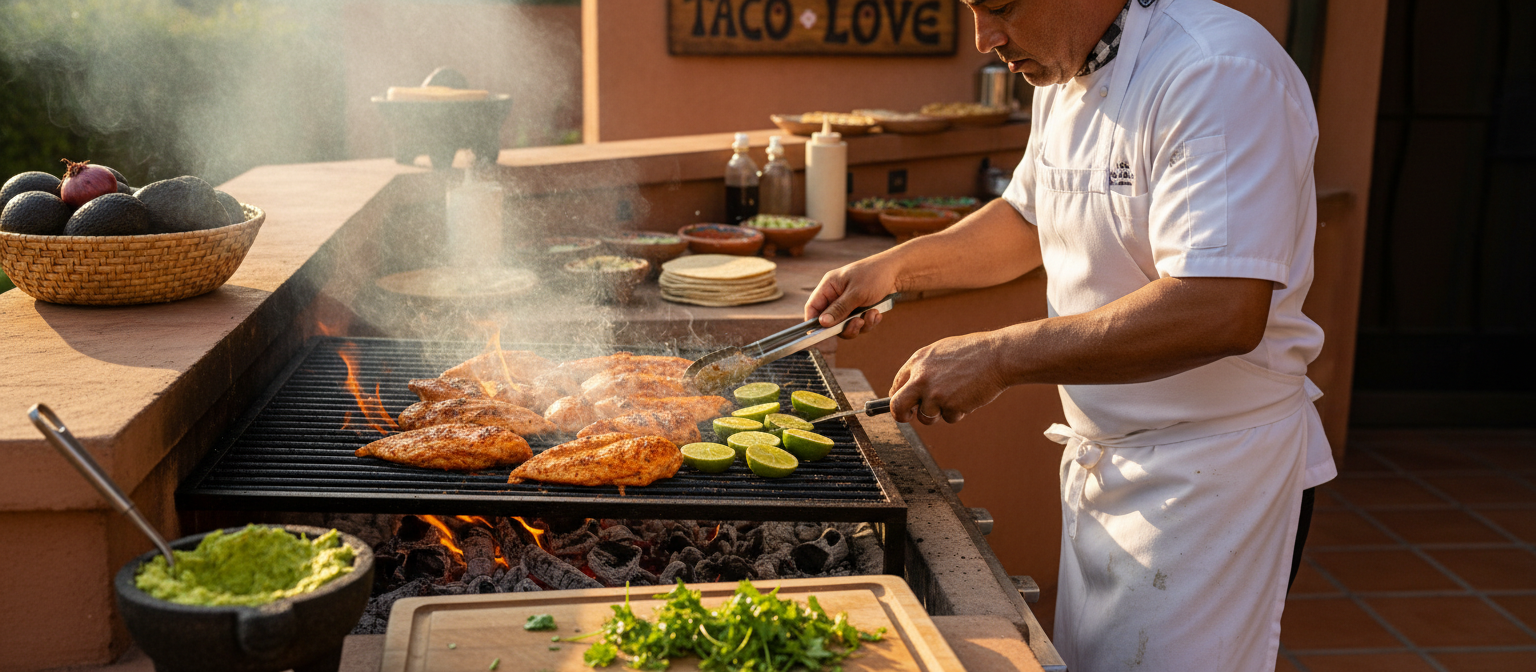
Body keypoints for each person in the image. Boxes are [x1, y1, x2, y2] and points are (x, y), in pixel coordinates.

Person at [805, 0, 1337, 669]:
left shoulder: (1218, 70)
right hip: (1106, 468)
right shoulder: (1059, 70)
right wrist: (894, 268)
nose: (983, 38)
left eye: (1000, 7)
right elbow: (1028, 219)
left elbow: (1221, 307)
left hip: (1214, 481)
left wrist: (1000, 356)